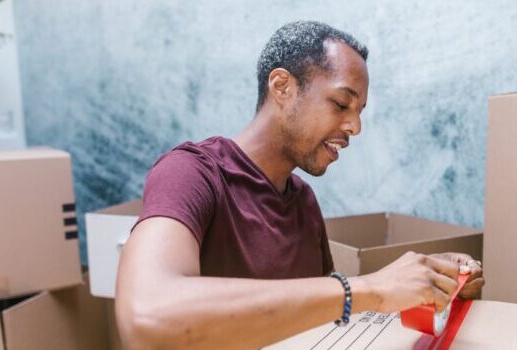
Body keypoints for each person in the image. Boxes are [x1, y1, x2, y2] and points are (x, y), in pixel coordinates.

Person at [115, 20, 484, 349]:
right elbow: (147, 317)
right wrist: (371, 288)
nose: (355, 127)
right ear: (282, 87)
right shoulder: (192, 173)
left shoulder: (303, 199)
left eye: (359, 112)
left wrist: (422, 279)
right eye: (342, 104)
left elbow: (319, 306)